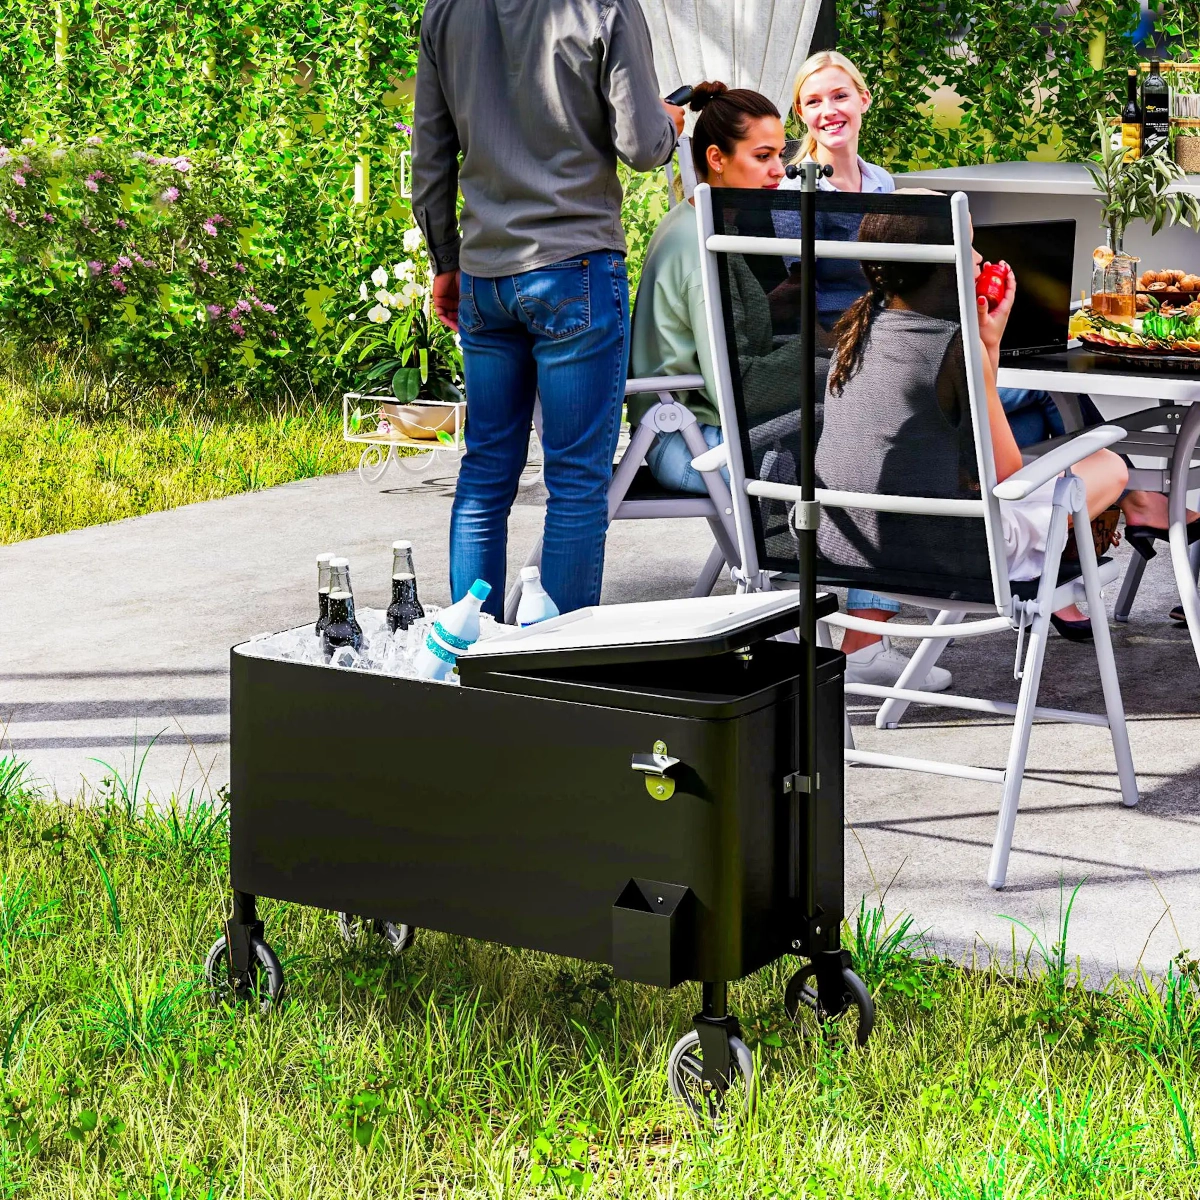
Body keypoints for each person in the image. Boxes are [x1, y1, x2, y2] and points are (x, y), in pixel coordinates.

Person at [628, 82, 951, 691]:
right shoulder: (702, 245)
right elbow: (737, 383)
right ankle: (863, 640)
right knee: (873, 443)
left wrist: (811, 337)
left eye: (781, 154)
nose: (782, 170)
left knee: (867, 426)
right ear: (717, 159)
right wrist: (845, 365)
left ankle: (863, 632)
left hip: (702, 419)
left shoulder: (704, 222)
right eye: (765, 157)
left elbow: (735, 344)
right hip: (684, 437)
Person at [412, 0, 685, 618]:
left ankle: (468, 653)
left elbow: (431, 156)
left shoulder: (446, 10)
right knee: (576, 484)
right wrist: (670, 123)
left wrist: (444, 260)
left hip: (484, 273)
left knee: (484, 476)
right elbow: (642, 146)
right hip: (573, 265)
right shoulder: (605, 6)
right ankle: (556, 676)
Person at [816, 209, 1130, 628]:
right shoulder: (953, 346)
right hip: (955, 556)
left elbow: (972, 439)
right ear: (936, 263)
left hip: (851, 546)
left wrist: (989, 346)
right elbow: (1005, 476)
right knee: (1109, 464)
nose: (980, 257)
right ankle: (1057, 575)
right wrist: (981, 352)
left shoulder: (857, 331)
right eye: (967, 245)